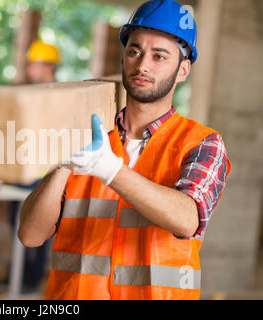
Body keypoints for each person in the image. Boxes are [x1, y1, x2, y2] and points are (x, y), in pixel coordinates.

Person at [18, 0, 232, 300]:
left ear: (183, 70)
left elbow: (187, 219)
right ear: (123, 59)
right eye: (135, 51)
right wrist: (62, 165)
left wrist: (109, 169)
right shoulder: (88, 138)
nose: (143, 64)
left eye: (159, 56)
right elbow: (30, 235)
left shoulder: (201, 143)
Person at [0, 40, 61, 295]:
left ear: (47, 66)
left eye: (32, 64)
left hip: (41, 177)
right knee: (17, 226)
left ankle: (30, 282)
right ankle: (15, 276)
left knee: (39, 229)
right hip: (23, 173)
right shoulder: (34, 93)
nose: (28, 69)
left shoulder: (59, 95)